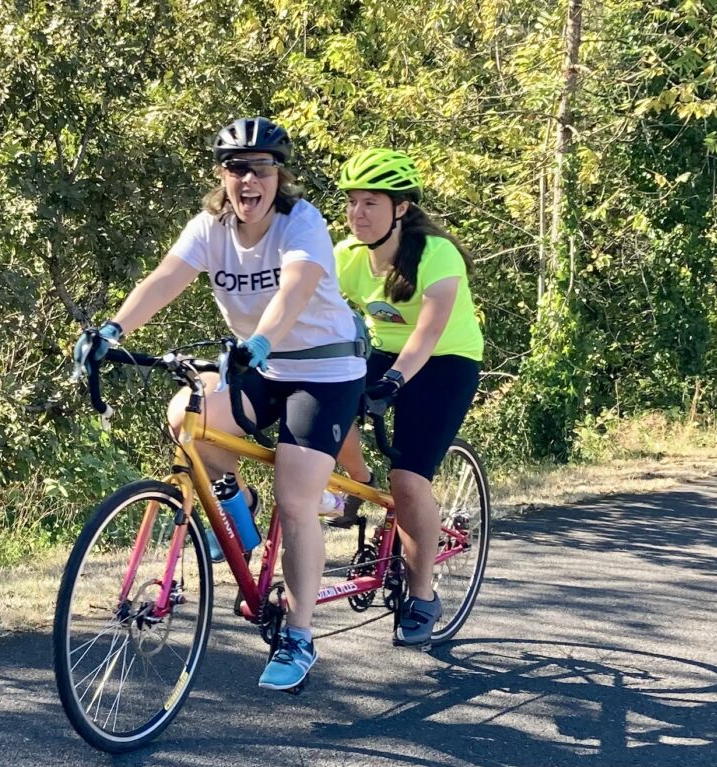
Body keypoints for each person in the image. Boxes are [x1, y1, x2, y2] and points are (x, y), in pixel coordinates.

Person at [77, 117, 366, 690]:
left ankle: (299, 636)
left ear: (278, 175)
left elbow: (296, 288)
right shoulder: (210, 228)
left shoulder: (300, 223)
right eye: (237, 168)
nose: (248, 180)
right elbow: (166, 278)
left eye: (261, 168)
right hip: (262, 366)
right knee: (187, 414)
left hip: (325, 370)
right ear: (222, 175)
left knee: (296, 494)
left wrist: (259, 340)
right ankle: (238, 510)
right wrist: (111, 330)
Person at [331, 148, 483, 648]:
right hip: (383, 352)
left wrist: (394, 381)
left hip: (446, 359)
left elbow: (431, 329)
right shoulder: (346, 258)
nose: (358, 214)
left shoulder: (436, 253)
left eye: (371, 203)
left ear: (400, 209)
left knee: (410, 479)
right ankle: (361, 485)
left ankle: (422, 596)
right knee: (323, 411)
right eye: (353, 203)